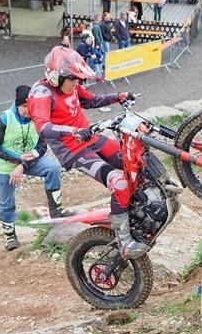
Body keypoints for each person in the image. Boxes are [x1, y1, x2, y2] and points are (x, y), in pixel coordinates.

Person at [28, 47, 147, 259]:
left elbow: (90, 100)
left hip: (91, 138)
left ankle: (140, 211)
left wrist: (118, 96)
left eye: (78, 80)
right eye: (73, 80)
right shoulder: (41, 94)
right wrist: (72, 131)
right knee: (119, 183)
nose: (77, 84)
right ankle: (124, 243)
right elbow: (43, 128)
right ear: (56, 76)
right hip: (74, 151)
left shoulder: (70, 85)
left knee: (136, 160)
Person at [0, 85, 71, 251]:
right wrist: (17, 160)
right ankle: (9, 236)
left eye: (30, 105)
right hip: (5, 165)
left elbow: (41, 147)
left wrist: (23, 164)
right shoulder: (4, 118)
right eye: (24, 106)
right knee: (6, 201)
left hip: (28, 161)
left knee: (52, 168)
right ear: (17, 104)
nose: (27, 110)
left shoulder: (39, 118)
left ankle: (56, 213)